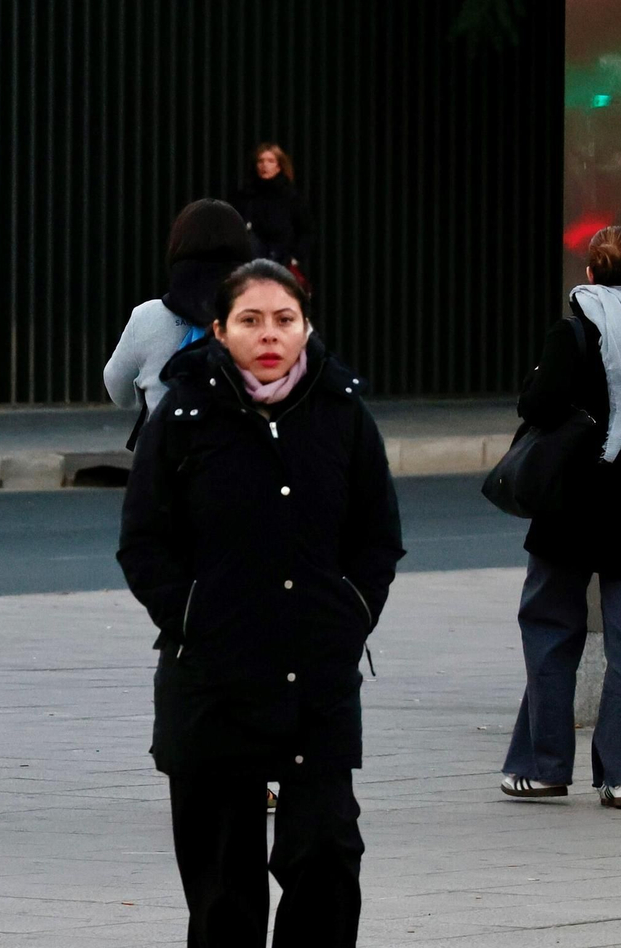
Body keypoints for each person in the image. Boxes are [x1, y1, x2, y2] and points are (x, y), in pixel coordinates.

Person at [118, 259, 403, 946]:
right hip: (211, 680)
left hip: (317, 681)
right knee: (223, 890)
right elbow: (144, 542)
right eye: (250, 320)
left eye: (284, 319)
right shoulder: (183, 414)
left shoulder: (342, 413)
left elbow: (377, 535)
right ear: (219, 330)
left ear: (307, 327)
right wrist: (191, 617)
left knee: (326, 857)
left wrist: (351, 613)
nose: (269, 335)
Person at [499, 226, 621, 810]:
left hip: (574, 506)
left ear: (588, 274)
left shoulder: (576, 329)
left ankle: (545, 767)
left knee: (551, 629)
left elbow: (536, 405)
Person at [104, 199, 254, 447]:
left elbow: (117, 389)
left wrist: (151, 390)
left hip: (163, 467)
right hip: (237, 462)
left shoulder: (146, 317)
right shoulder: (262, 318)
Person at [228, 143, 313, 281]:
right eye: (260, 161)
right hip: (250, 264)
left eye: (270, 161)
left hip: (282, 261)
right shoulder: (245, 196)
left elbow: (306, 230)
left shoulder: (291, 197)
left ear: (279, 166)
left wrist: (295, 258)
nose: (264, 165)